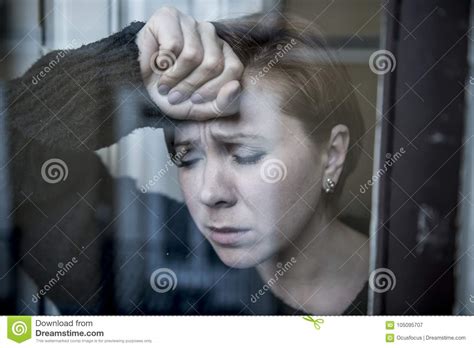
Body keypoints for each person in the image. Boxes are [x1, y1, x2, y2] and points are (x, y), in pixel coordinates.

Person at [1, 6, 367, 315]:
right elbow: (12, 151)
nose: (210, 193)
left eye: (245, 154)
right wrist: (128, 68)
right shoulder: (151, 267)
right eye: (187, 157)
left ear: (332, 155)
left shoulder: (414, 278)